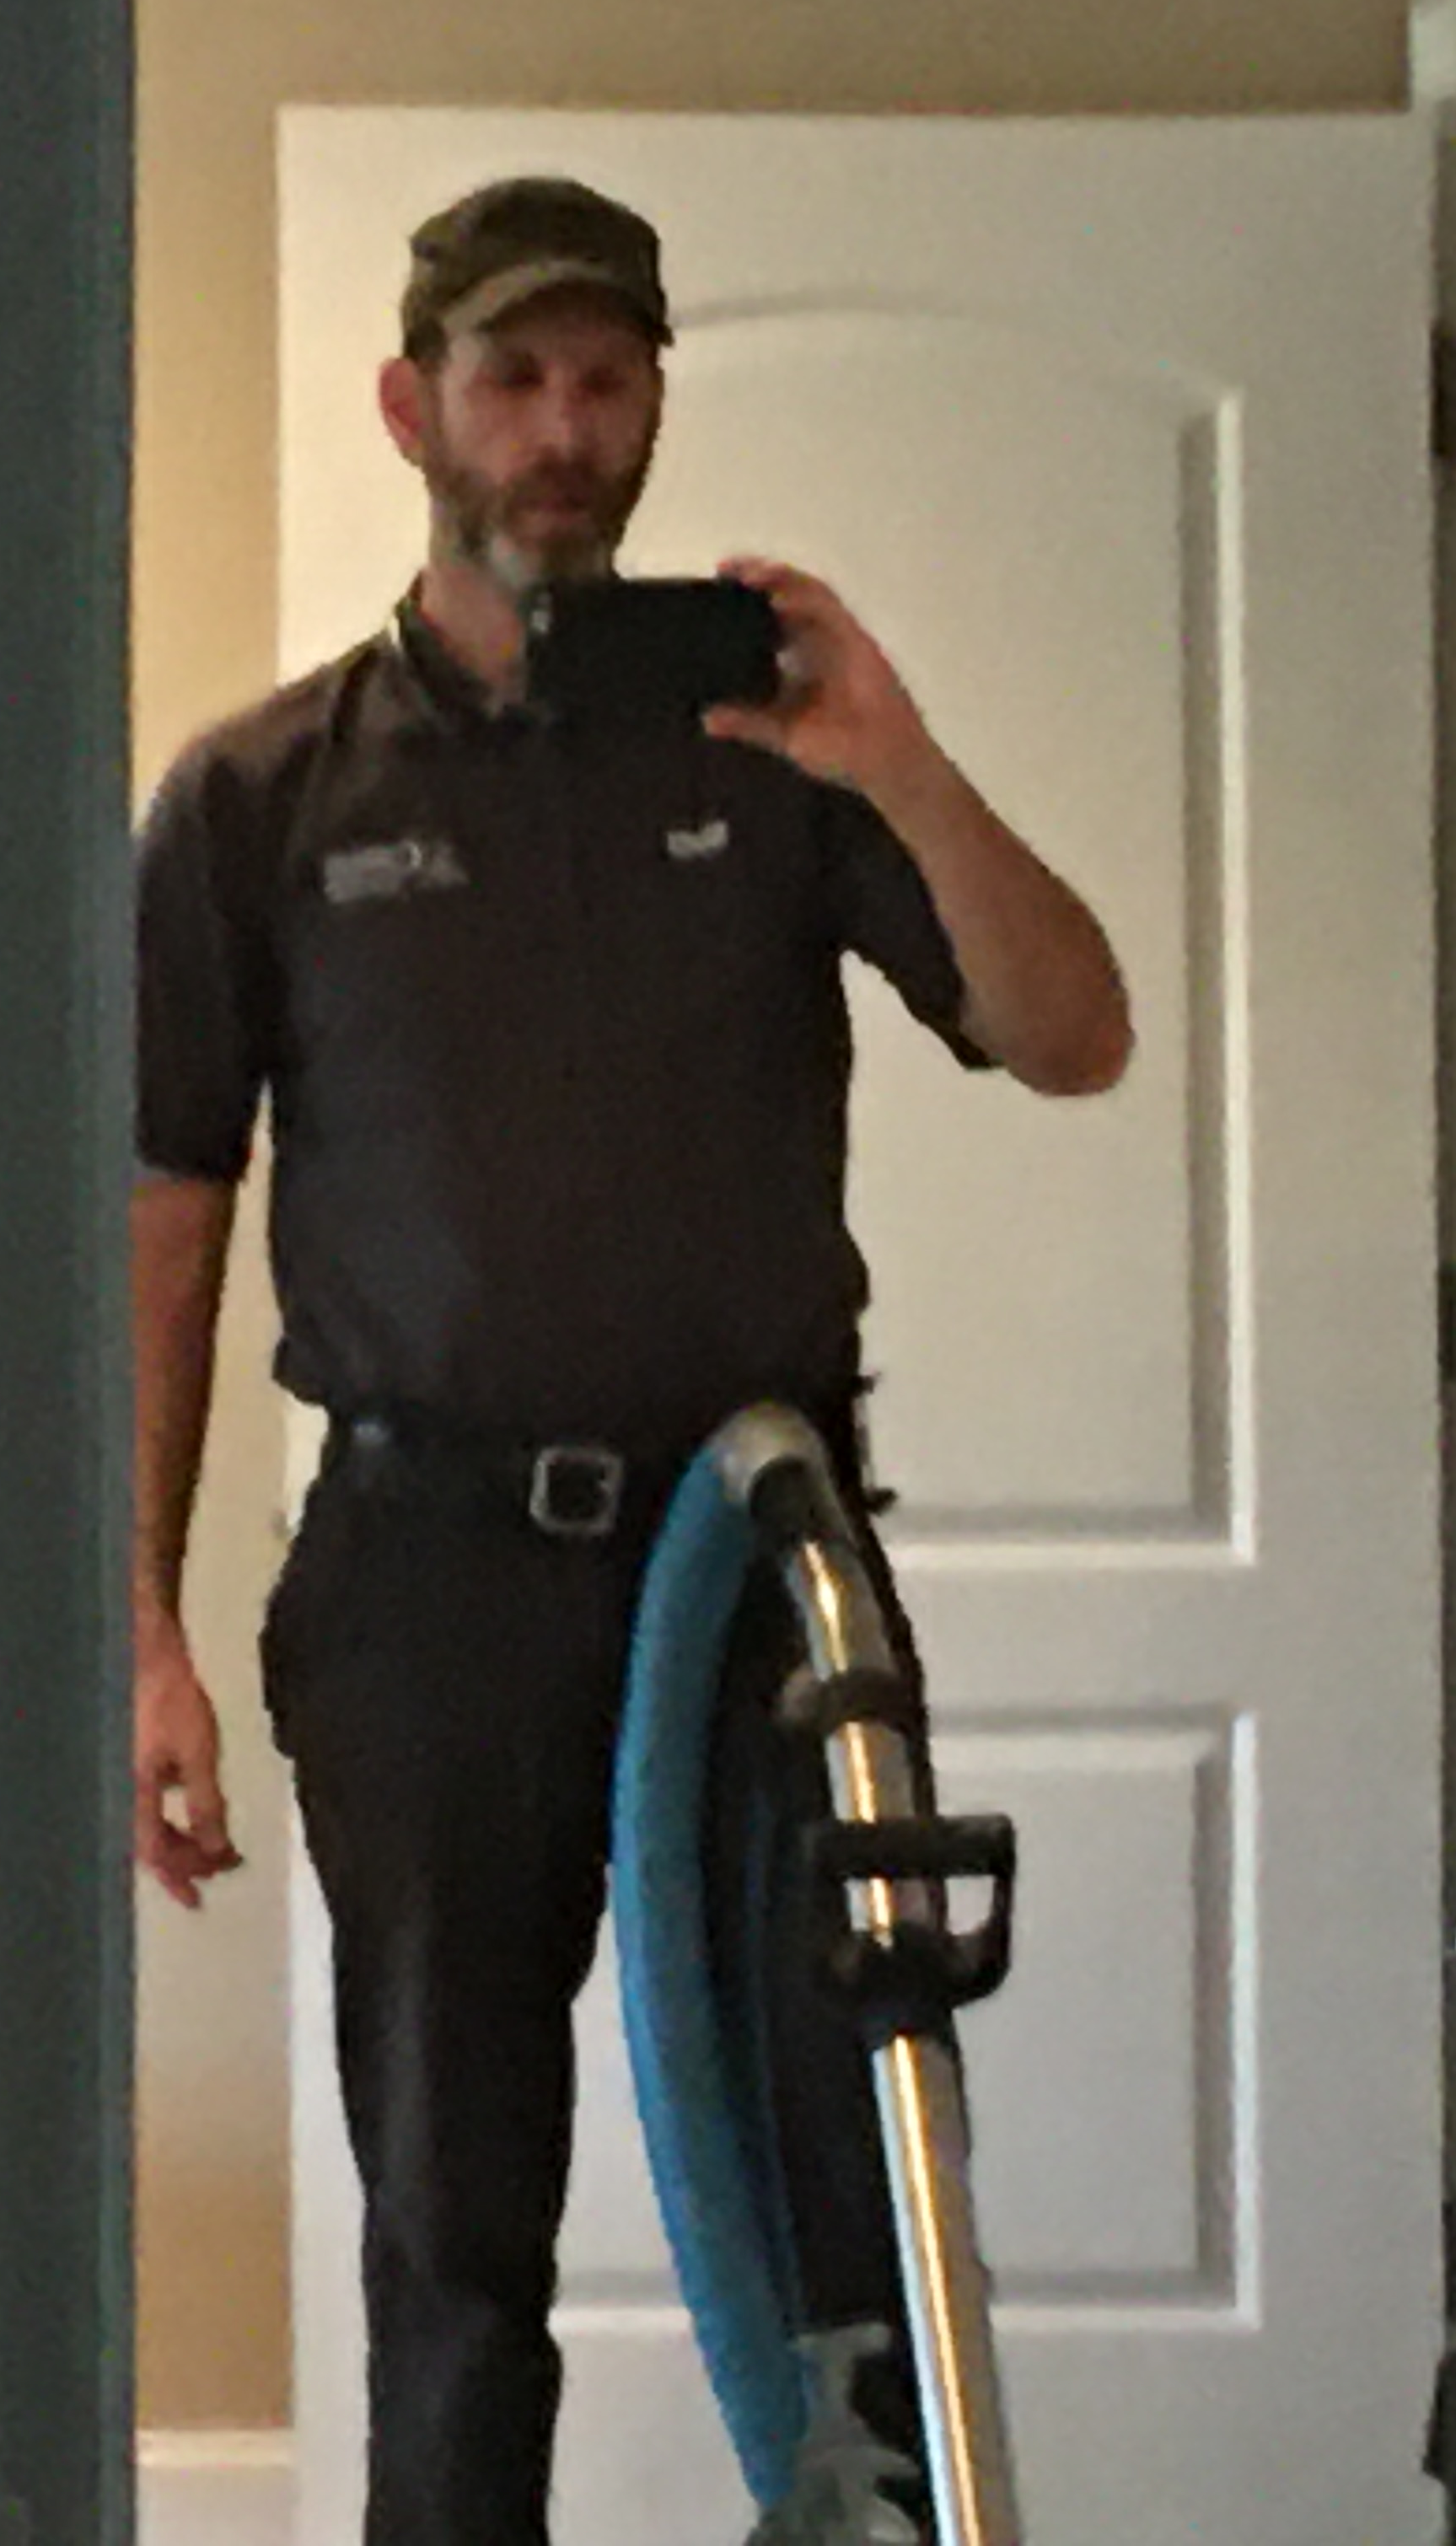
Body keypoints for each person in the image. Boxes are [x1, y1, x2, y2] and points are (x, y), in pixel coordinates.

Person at [129, 172, 1131, 2545]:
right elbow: (165, 1220)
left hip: (758, 1569)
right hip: (427, 1583)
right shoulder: (266, 797)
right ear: (415, 411)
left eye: (605, 380)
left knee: (842, 2181)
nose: (563, 431)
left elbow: (1073, 1032)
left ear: (653, 405)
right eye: (513, 380)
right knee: (453, 2230)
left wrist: (896, 760)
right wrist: (138, 1624)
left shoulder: (777, 757)